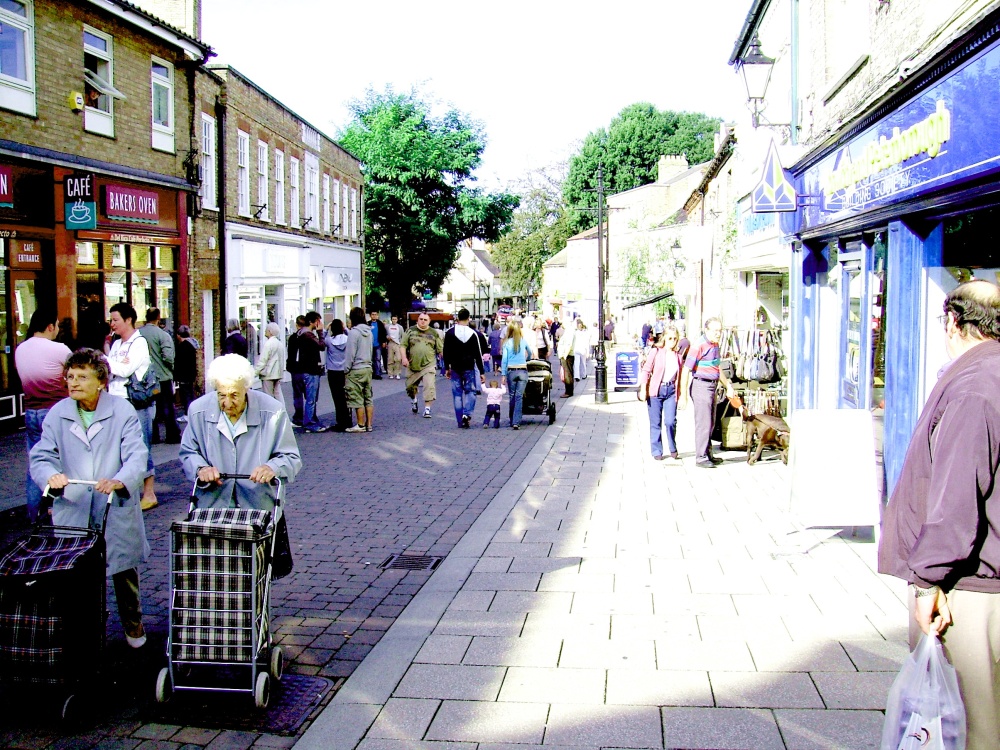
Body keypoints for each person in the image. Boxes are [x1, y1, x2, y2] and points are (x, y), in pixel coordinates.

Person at [878, 280, 1000, 750]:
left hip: (970, 587)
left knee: (970, 728)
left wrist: (929, 582)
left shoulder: (974, 387)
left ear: (953, 321)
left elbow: (956, 500)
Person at [30, 348, 151, 648]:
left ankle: (132, 622)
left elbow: (137, 455)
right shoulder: (58, 413)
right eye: (70, 376)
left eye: (82, 377)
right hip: (74, 505)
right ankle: (82, 630)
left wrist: (121, 479)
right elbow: (42, 456)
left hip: (113, 503)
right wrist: (51, 475)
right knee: (75, 573)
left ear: (101, 382)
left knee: (123, 570)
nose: (74, 382)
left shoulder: (122, 410)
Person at [179, 354, 301, 510]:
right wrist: (200, 468)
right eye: (221, 395)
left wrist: (273, 467)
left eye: (234, 395)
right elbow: (188, 452)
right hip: (212, 507)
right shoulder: (198, 411)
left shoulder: (273, 411)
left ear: (247, 388)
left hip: (259, 507)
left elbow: (291, 457)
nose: (228, 403)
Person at [15, 308, 72, 523]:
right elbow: (74, 373)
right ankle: (60, 510)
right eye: (56, 325)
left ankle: (34, 513)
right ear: (50, 326)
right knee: (62, 461)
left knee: (36, 462)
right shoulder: (59, 349)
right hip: (56, 411)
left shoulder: (21, 349)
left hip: (31, 412)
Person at [107, 302, 159, 510]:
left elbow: (125, 370)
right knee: (121, 447)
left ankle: (149, 493)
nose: (112, 324)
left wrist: (105, 362)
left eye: (115, 320)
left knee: (141, 446)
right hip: (116, 401)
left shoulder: (139, 343)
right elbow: (113, 371)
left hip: (135, 403)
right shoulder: (116, 344)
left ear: (128, 320)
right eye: (111, 320)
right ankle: (129, 491)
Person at [679, 317, 734, 469]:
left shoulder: (715, 345)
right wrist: (683, 396)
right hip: (701, 386)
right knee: (703, 423)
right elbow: (686, 370)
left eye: (720, 330)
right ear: (706, 330)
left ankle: (708, 453)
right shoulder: (698, 345)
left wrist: (728, 386)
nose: (718, 333)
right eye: (715, 330)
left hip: (712, 386)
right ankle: (701, 457)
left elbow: (717, 367)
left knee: (711, 422)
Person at [140, 307, 181, 445]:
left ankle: (153, 436)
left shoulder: (138, 334)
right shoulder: (163, 335)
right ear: (158, 317)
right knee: (167, 407)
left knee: (150, 409)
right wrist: (171, 369)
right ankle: (172, 435)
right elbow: (168, 357)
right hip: (162, 377)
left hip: (145, 379)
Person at [641, 327, 683, 461]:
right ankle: (656, 450)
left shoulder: (678, 356)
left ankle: (672, 447)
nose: (672, 341)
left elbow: (681, 377)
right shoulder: (656, 352)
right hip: (656, 390)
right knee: (655, 423)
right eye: (670, 338)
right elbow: (646, 370)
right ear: (664, 338)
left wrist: (682, 395)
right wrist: (643, 389)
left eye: (675, 338)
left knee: (671, 421)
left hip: (671, 390)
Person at [443, 308, 486, 429]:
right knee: (470, 392)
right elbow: (478, 354)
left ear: (457, 318)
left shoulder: (450, 333)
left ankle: (459, 420)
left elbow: (446, 352)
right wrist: (482, 372)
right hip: (469, 367)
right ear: (468, 318)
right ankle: (466, 414)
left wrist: (447, 368)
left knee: (457, 394)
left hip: (455, 367)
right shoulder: (473, 334)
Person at [402, 312, 443, 420]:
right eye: (421, 319)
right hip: (413, 365)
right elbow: (403, 345)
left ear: (429, 321)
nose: (423, 321)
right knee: (410, 387)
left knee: (429, 386)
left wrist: (448, 364)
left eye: (425, 320)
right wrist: (404, 358)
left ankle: (427, 409)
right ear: (417, 320)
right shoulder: (410, 330)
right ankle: (414, 400)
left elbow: (440, 349)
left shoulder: (434, 333)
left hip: (429, 365)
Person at [343, 307, 374, 432]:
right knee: (368, 397)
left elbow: (350, 353)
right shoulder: (369, 332)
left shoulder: (353, 333)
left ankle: (360, 425)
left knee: (357, 397)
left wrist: (346, 369)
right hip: (368, 367)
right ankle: (369, 424)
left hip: (356, 368)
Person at [295, 311, 326, 433]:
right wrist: (320, 332)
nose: (320, 323)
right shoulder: (308, 335)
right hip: (311, 370)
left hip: (308, 369)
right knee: (311, 398)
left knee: (311, 397)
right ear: (313, 322)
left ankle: (312, 420)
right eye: (318, 321)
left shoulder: (302, 334)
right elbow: (321, 346)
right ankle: (309, 423)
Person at [501, 320, 534, 430]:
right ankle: (516, 421)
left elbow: (504, 360)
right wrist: (526, 359)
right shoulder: (523, 341)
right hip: (523, 371)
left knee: (512, 396)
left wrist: (503, 374)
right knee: (519, 396)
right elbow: (530, 352)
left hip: (511, 371)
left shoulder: (507, 343)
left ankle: (512, 420)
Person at [325, 319, 352, 431]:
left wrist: (326, 329)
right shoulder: (347, 339)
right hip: (344, 370)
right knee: (346, 396)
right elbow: (351, 336)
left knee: (337, 397)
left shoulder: (329, 340)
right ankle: (348, 419)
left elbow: (322, 340)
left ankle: (340, 420)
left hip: (333, 370)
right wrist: (345, 328)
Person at [255, 322, 285, 406]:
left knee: (268, 396)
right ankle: (281, 410)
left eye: (266, 330)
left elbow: (262, 361)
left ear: (270, 332)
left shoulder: (268, 344)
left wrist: (255, 372)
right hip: (277, 373)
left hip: (268, 374)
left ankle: (271, 411)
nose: (265, 331)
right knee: (278, 394)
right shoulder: (280, 343)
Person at [174, 324, 199, 419]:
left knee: (185, 395)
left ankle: (187, 414)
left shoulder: (182, 347)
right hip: (191, 374)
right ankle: (192, 413)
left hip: (184, 374)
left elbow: (179, 363)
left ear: (179, 335)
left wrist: (176, 375)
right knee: (190, 393)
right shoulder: (192, 345)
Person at [286, 315, 307, 426]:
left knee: (298, 394)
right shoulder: (308, 336)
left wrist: (289, 367)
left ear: (297, 325)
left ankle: (298, 417)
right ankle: (309, 417)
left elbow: (290, 354)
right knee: (309, 396)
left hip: (296, 369)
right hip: (307, 369)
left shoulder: (293, 338)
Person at [369, 310, 388, 380]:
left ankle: (378, 374)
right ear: (370, 316)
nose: (374, 316)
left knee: (378, 359)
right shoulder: (367, 324)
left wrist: (384, 342)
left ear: (377, 315)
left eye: (375, 314)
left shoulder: (380, 324)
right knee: (371, 360)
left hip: (378, 344)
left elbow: (383, 333)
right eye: (372, 314)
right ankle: (372, 373)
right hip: (370, 345)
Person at [386, 314, 404, 379]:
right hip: (390, 343)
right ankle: (390, 373)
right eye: (393, 319)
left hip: (397, 344)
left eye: (395, 319)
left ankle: (397, 373)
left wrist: (402, 345)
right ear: (391, 320)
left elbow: (402, 336)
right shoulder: (387, 326)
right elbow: (385, 334)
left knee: (398, 359)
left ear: (397, 320)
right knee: (390, 359)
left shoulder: (400, 327)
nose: (394, 320)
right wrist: (387, 337)